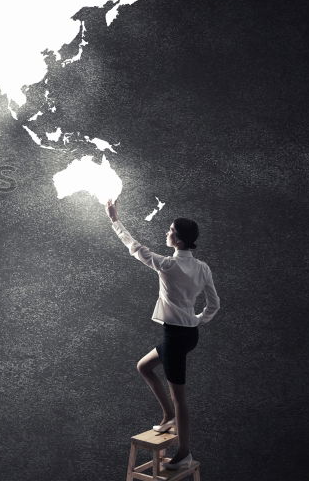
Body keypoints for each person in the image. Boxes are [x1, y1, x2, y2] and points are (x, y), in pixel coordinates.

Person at [105, 199, 220, 470]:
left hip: (175, 338)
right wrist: (197, 319)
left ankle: (184, 452)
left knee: (180, 398)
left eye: (170, 230)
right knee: (144, 367)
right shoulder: (202, 267)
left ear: (178, 240)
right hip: (188, 335)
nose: (166, 233)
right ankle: (168, 415)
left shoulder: (167, 265)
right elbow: (214, 303)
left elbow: (134, 247)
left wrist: (114, 220)